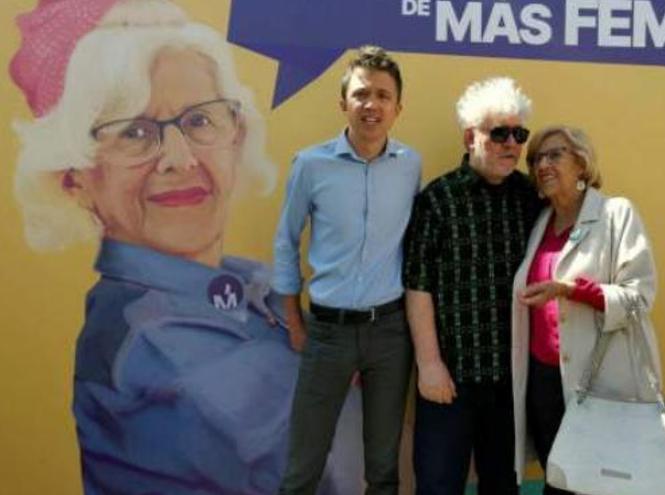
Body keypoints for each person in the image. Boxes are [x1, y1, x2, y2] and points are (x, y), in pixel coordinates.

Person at [9, 0, 360, 493]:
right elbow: (350, 465)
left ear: (236, 136)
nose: (179, 158)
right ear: (76, 178)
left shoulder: (243, 281)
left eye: (198, 121)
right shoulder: (152, 343)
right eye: (133, 132)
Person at [273, 45, 421, 495]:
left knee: (382, 467)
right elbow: (285, 240)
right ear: (343, 103)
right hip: (327, 333)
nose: (371, 105)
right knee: (304, 465)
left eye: (382, 95)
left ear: (397, 108)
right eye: (361, 94)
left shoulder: (410, 166)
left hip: (390, 334)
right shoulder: (311, 165)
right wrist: (295, 323)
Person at [404, 77, 543, 495]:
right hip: (450, 380)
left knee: (502, 487)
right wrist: (429, 365)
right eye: (498, 132)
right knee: (438, 486)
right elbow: (417, 285)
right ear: (470, 137)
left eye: (518, 134)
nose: (511, 144)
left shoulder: (531, 199)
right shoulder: (438, 199)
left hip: (511, 382)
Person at [510, 125, 662, 494]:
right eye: (536, 159)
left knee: (598, 484)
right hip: (543, 382)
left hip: (599, 383)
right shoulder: (540, 222)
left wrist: (570, 290)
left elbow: (639, 296)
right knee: (559, 479)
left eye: (554, 155)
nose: (542, 165)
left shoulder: (616, 214)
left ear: (581, 163)